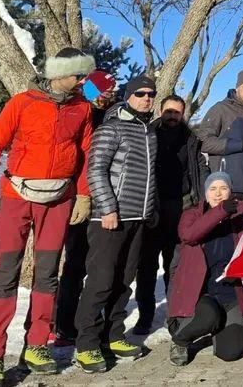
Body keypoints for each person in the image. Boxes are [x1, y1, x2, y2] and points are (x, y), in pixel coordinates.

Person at [0, 48, 96, 386]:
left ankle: (37, 345)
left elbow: (85, 154)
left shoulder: (81, 108)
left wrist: (83, 194)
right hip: (16, 198)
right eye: (78, 75)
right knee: (4, 275)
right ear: (59, 73)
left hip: (58, 201)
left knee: (47, 275)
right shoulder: (22, 102)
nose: (83, 81)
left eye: (85, 75)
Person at [73, 75, 160, 373]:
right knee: (100, 281)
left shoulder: (149, 132)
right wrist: (108, 208)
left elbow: (148, 178)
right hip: (110, 219)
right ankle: (86, 344)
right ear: (128, 96)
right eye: (140, 94)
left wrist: (150, 210)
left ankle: (112, 336)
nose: (146, 98)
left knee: (124, 281)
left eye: (151, 94)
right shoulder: (111, 127)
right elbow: (95, 171)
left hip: (138, 217)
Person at [194, 68, 243, 321]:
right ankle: (218, 302)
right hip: (226, 189)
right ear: (237, 87)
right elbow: (204, 141)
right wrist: (239, 144)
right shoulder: (220, 109)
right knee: (224, 248)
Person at [133, 94, 208, 336]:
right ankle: (145, 315)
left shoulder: (191, 138)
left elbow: (200, 167)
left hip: (182, 205)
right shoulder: (148, 134)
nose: (173, 116)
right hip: (152, 206)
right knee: (147, 264)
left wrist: (204, 196)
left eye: (177, 112)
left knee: (175, 264)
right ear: (160, 111)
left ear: (183, 114)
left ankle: (174, 313)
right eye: (169, 111)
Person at [54, 70, 117, 347]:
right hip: (77, 200)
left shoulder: (112, 117)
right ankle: (65, 324)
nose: (105, 97)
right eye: (101, 91)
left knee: (102, 267)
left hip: (105, 201)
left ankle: (94, 324)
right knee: (75, 264)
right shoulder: (78, 112)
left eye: (110, 93)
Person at [166, 172, 243, 366]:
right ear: (205, 193)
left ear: (230, 191)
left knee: (231, 353)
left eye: (223, 188)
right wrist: (220, 211)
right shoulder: (191, 215)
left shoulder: (239, 217)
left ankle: (216, 328)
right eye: (213, 189)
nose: (218, 194)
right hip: (200, 295)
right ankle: (180, 340)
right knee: (209, 315)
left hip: (229, 294)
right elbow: (190, 235)